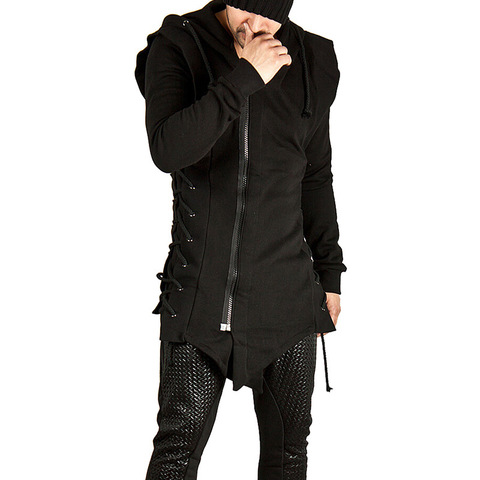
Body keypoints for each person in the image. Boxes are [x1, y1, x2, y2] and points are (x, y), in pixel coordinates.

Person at [134, 0, 347, 478]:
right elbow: (168, 149)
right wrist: (246, 76)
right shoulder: (179, 44)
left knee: (288, 455)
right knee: (176, 452)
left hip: (288, 294)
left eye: (269, 17)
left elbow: (315, 175)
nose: (254, 26)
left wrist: (330, 274)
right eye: (242, 10)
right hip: (200, 294)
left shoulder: (312, 58)